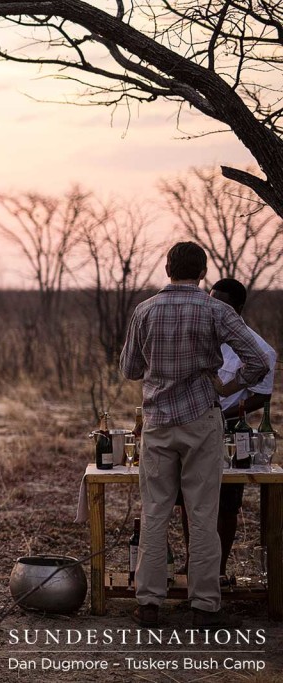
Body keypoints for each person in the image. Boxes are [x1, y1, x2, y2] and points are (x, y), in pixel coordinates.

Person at [120, 242, 270, 629]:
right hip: (202, 419)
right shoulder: (216, 310)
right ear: (202, 271)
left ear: (167, 267)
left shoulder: (145, 310)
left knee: (154, 513)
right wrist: (226, 386)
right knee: (203, 513)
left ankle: (149, 603)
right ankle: (204, 605)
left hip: (157, 421)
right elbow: (258, 360)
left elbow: (130, 370)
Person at [179, 278, 277, 581]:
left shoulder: (259, 348)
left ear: (238, 308)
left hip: (232, 430)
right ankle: (193, 565)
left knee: (226, 502)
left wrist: (222, 413)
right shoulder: (200, 336)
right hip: (192, 424)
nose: (214, 309)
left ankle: (217, 572)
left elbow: (261, 395)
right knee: (189, 499)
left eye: (222, 303)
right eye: (212, 301)